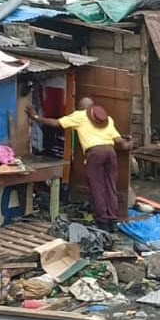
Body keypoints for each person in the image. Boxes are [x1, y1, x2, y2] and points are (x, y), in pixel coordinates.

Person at [25, 99, 131, 231]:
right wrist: (130, 143)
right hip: (111, 153)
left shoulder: (79, 116)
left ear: (81, 108)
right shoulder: (107, 119)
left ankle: (103, 221)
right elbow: (120, 142)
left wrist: (35, 116)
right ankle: (113, 220)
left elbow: (56, 123)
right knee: (110, 186)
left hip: (95, 154)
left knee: (97, 187)